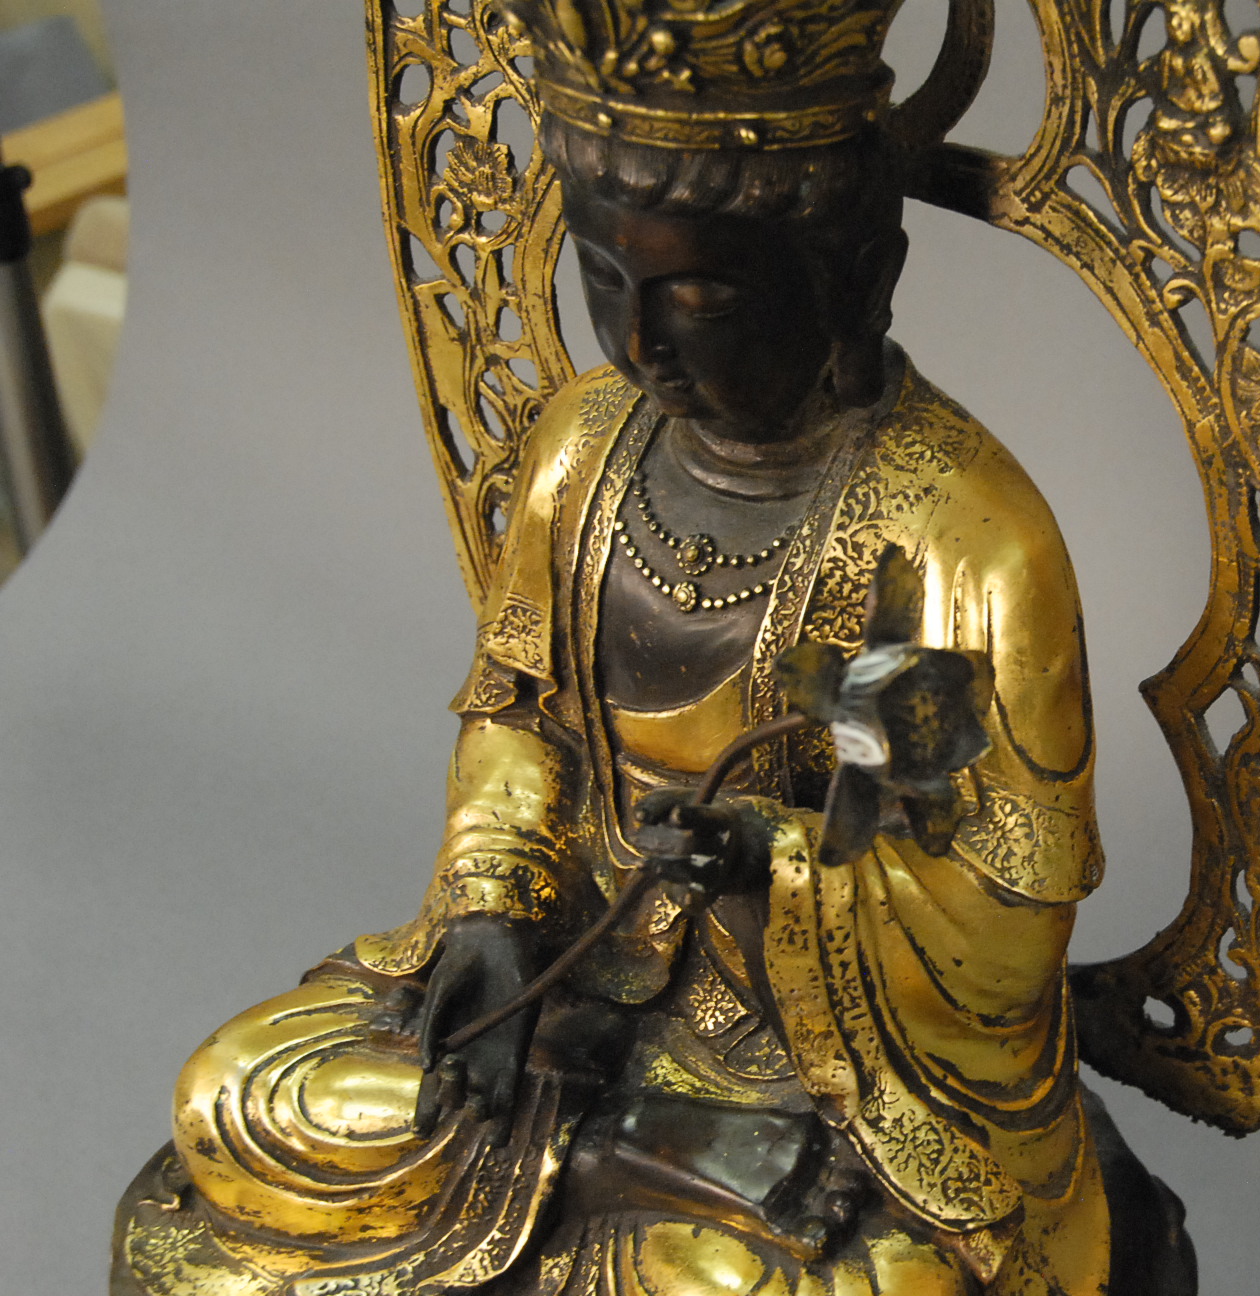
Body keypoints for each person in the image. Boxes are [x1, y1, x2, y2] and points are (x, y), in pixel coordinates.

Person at [112, 3, 1194, 1292]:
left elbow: (978, 897)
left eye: (702, 300)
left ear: (855, 277)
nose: (640, 346)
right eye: (604, 282)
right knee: (239, 1095)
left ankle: (650, 1154)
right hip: (564, 973)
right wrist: (495, 908)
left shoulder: (938, 538)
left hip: (807, 1058)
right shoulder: (582, 450)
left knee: (865, 1283)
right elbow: (521, 723)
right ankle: (625, 1152)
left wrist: (769, 855)